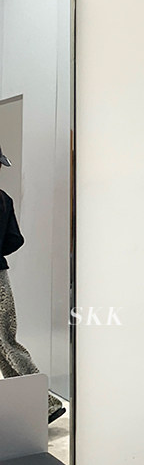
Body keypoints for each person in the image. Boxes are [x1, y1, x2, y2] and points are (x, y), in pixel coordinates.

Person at [0, 145, 65, 424]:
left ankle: (43, 404)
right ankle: (31, 407)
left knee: (5, 344)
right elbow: (15, 240)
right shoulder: (3, 199)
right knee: (5, 342)